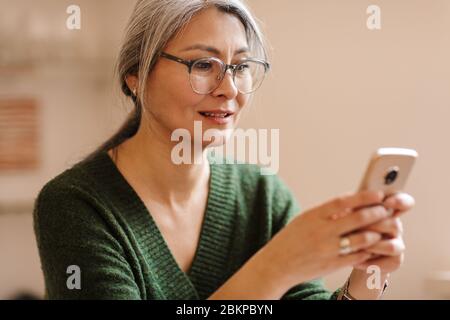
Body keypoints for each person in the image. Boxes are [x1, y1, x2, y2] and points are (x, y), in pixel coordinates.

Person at [33, 0, 415, 299]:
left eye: (241, 66)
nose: (229, 89)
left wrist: (366, 277)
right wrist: (276, 267)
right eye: (203, 64)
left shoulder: (263, 195)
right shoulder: (74, 206)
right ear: (136, 79)